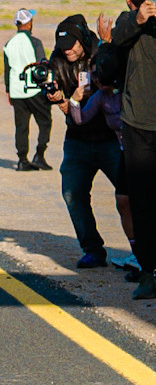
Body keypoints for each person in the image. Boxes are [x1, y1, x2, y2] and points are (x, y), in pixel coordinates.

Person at [45, 14, 123, 270]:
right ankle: (92, 250)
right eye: (62, 46)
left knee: (131, 193)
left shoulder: (101, 52)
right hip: (77, 139)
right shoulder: (58, 59)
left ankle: (142, 253)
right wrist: (57, 98)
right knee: (73, 193)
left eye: (71, 45)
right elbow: (60, 100)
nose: (67, 50)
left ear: (82, 40)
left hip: (110, 139)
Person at [110, 0, 156, 300]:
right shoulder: (133, 20)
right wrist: (138, 19)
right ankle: (149, 271)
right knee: (142, 202)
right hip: (138, 123)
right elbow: (116, 38)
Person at [3, 8, 52, 170]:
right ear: (29, 23)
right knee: (45, 122)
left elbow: (7, 70)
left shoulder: (9, 44)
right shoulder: (35, 42)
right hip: (34, 89)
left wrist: (8, 90)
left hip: (16, 91)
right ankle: (40, 154)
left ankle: (22, 160)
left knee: (21, 126)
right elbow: (42, 67)